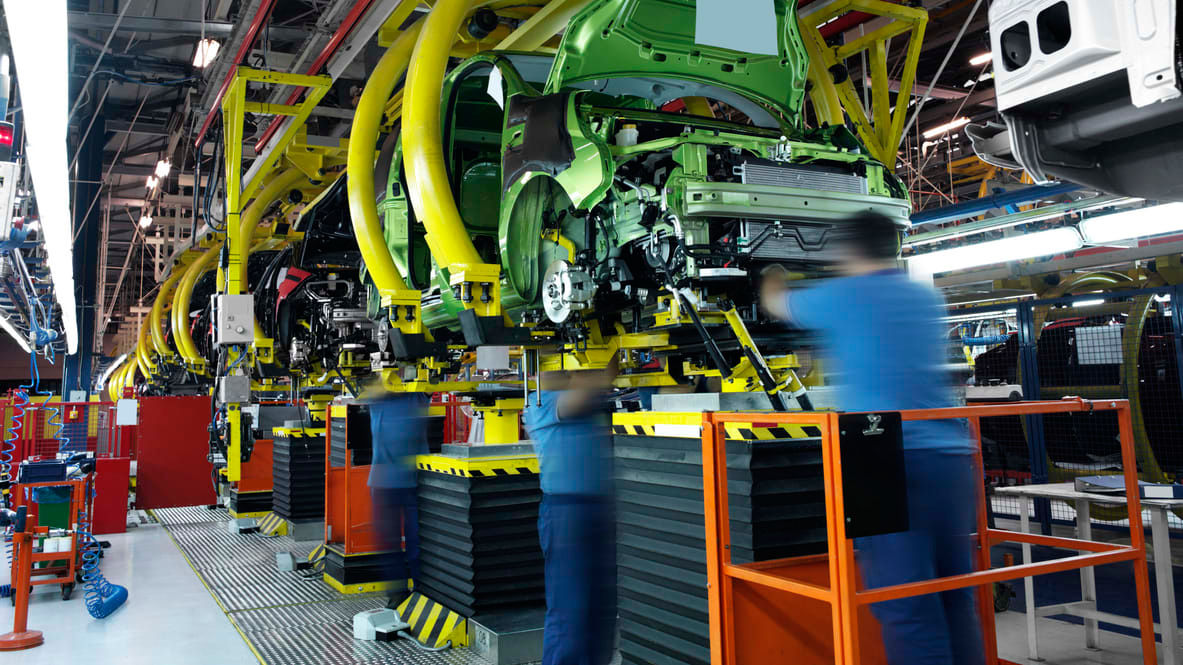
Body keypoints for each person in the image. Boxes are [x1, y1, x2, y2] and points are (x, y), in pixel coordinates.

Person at [760, 211, 984, 665]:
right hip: (950, 455)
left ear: (846, 251)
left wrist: (771, 270)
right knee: (955, 594)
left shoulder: (843, 296)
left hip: (883, 458)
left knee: (905, 602)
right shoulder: (925, 297)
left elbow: (776, 303)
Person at [524, 359, 618, 665]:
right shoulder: (541, 401)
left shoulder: (579, 401)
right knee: (571, 609)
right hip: (566, 513)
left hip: (599, 508)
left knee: (602, 607)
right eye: (556, 366)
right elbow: (594, 381)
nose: (565, 370)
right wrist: (610, 347)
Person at [367, 391, 430, 609]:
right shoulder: (377, 397)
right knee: (389, 544)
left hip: (414, 480)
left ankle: (422, 590)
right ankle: (398, 593)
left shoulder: (418, 394)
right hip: (385, 482)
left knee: (418, 542)